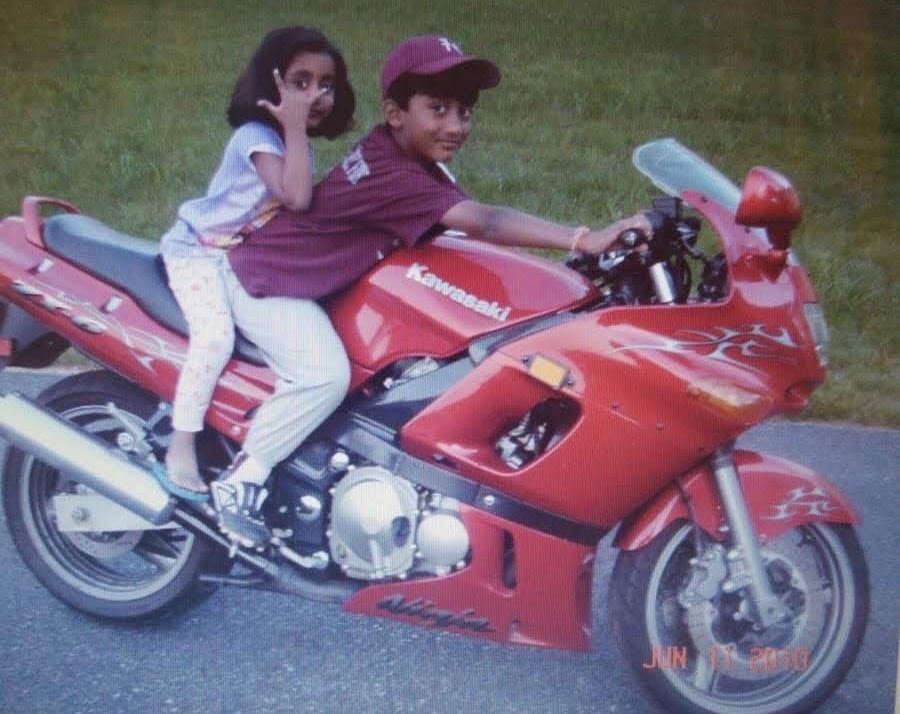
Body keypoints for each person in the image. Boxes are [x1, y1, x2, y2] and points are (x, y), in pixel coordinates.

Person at [224, 33, 652, 545]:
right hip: (269, 283)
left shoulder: (409, 161)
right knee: (324, 376)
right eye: (439, 109)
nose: (455, 126)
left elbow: (460, 230)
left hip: (311, 282)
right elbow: (486, 222)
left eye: (465, 112)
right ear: (395, 112)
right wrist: (586, 239)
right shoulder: (391, 174)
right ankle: (243, 481)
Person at [157, 26, 355, 532]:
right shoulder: (257, 138)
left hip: (235, 256)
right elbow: (296, 198)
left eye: (326, 84)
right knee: (216, 337)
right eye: (300, 82)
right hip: (197, 252)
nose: (315, 96)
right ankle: (181, 445)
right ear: (272, 85)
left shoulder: (296, 144)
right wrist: (291, 126)